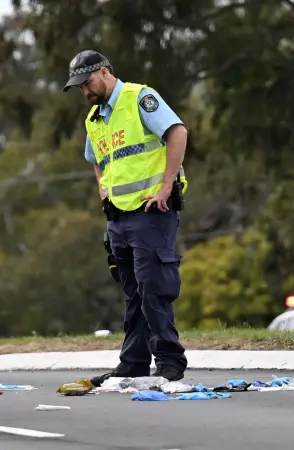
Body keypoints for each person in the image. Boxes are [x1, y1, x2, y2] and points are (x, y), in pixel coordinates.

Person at [63, 50, 189, 385]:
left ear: (104, 73)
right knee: (132, 290)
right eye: (79, 88)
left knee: (154, 287)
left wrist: (165, 188)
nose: (85, 92)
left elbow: (178, 132)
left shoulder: (140, 98)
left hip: (152, 211)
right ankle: (133, 361)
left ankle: (169, 360)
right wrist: (103, 192)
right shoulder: (95, 118)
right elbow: (97, 158)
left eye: (87, 83)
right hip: (118, 216)